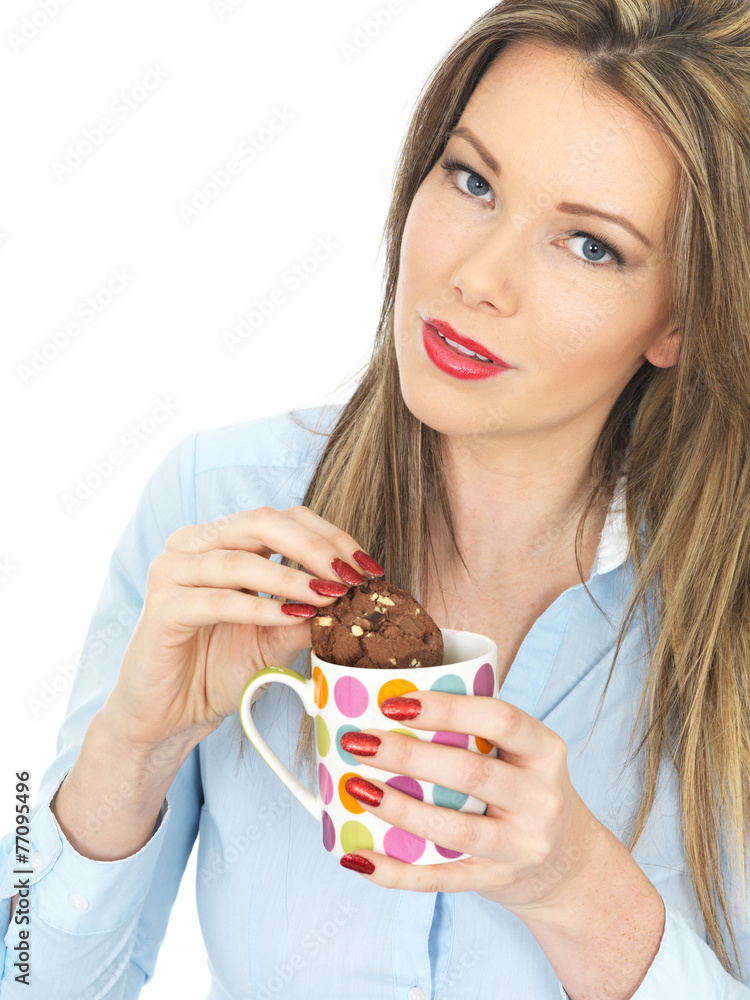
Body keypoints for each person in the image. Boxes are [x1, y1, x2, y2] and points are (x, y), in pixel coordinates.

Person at [3, 0, 750, 996]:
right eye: (473, 181)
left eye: (589, 245)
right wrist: (129, 750)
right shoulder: (220, 510)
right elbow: (25, 969)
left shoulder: (728, 617)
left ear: (684, 317)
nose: (476, 277)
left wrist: (578, 886)